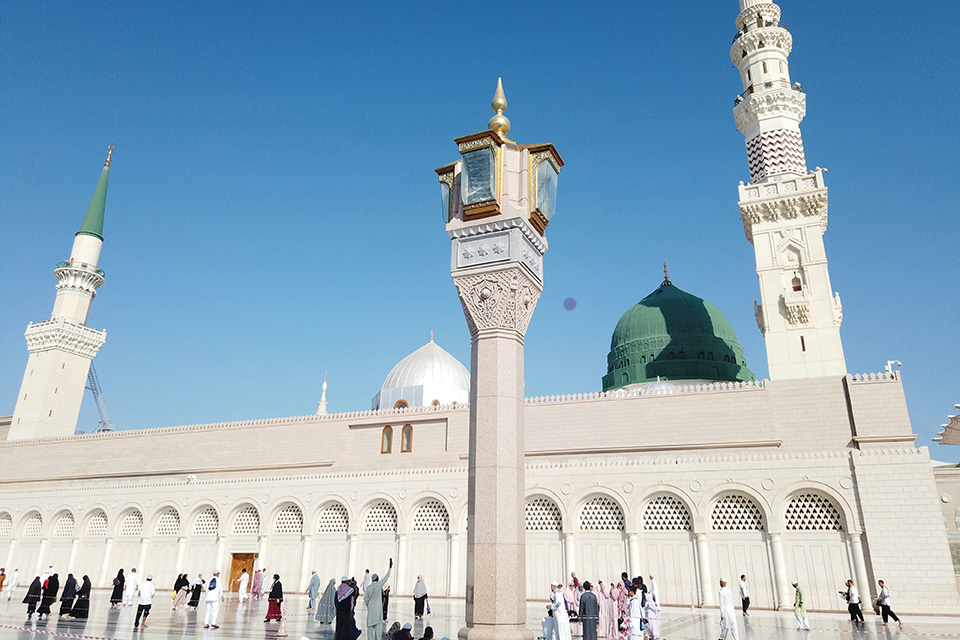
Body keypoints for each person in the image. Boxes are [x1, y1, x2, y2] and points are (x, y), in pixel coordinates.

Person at [364, 559, 393, 640]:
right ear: (377, 579)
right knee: (378, 629)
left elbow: (366, 599)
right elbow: (386, 578)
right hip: (378, 610)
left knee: (370, 629)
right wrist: (390, 568)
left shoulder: (368, 588)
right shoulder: (378, 585)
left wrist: (369, 605)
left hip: (371, 609)